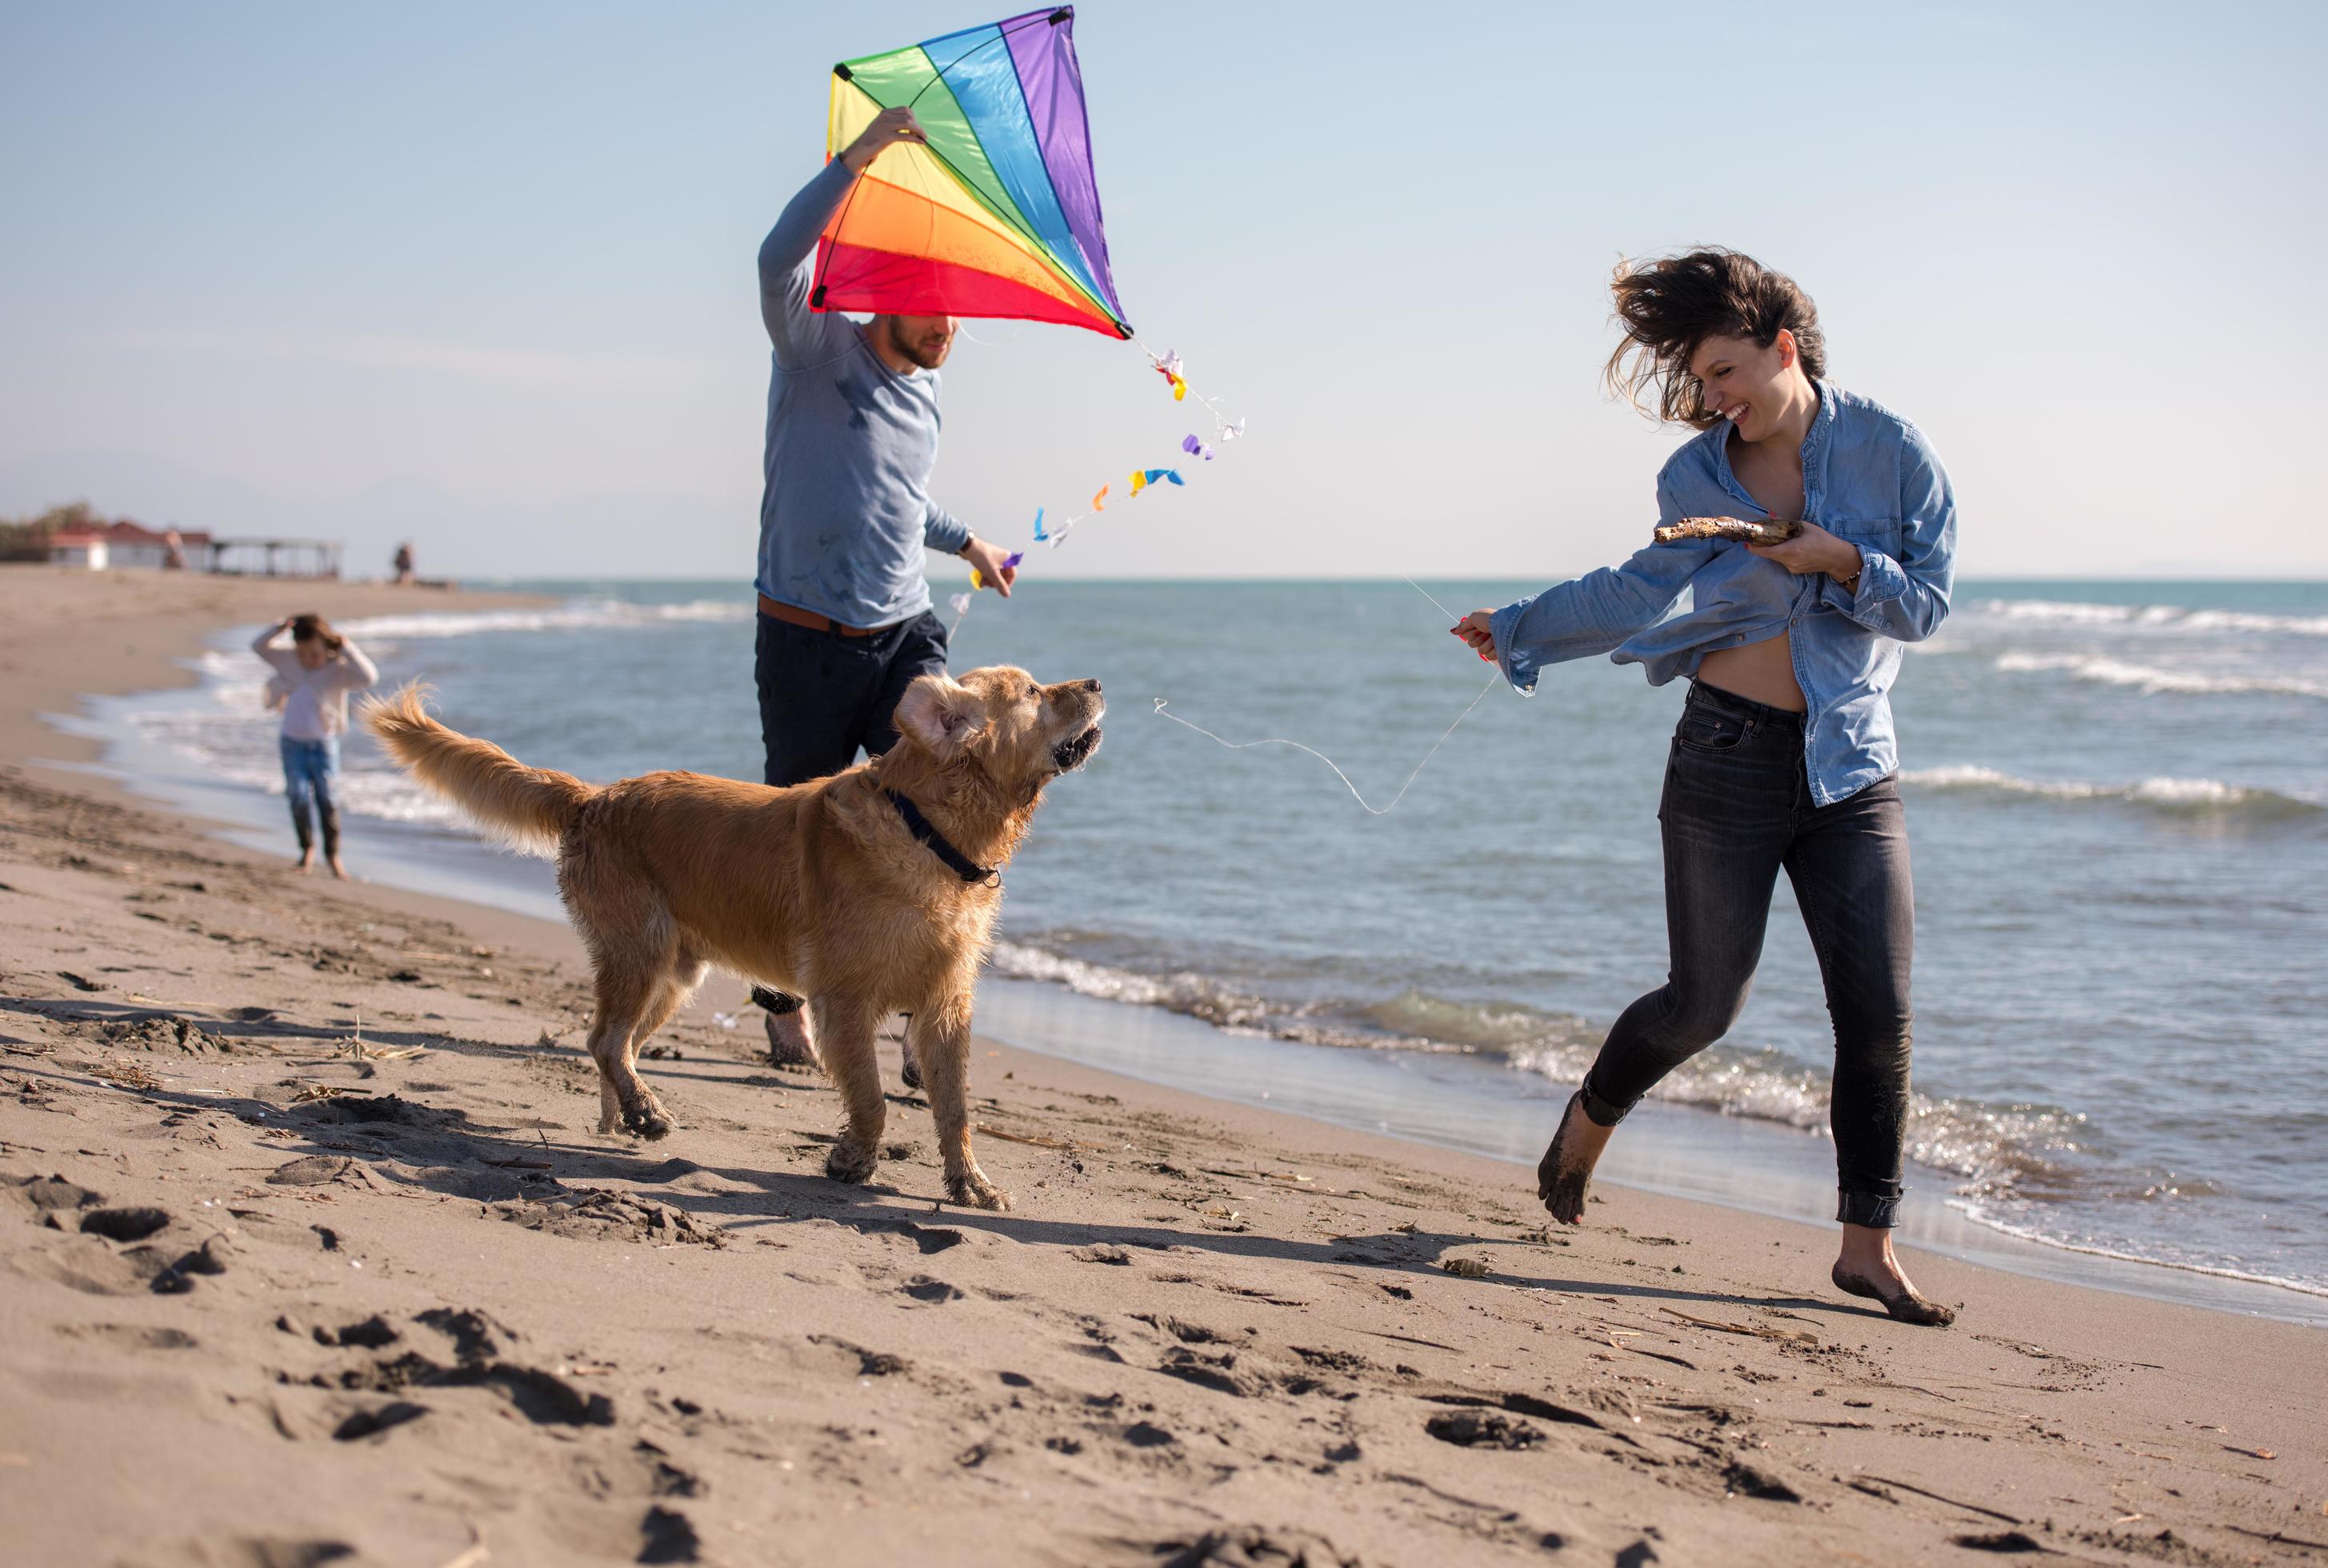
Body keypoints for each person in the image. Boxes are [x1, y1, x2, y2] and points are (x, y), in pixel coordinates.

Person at [1454, 250, 1959, 1326]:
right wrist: (1519, 629)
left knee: (1877, 1014)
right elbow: (1637, 587)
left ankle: (1865, 1249)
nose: (1714, 398)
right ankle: (1589, 1117)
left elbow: (1925, 608)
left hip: (1853, 770)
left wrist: (1837, 561)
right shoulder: (1697, 477)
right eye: (1701, 382)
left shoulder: (1890, 450)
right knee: (1702, 1004)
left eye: (1727, 372)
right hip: (1723, 756)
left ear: (1784, 346)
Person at [746, 105, 1022, 1070]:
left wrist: (969, 543)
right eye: (934, 311)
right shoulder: (816, 350)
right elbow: (776, 259)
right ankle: (783, 1001)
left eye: (956, 316)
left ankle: (919, 1012)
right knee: (801, 828)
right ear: (884, 302)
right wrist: (855, 161)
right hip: (808, 640)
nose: (949, 328)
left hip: (901, 630)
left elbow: (898, 498)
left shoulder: (929, 391)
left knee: (949, 772)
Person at [252, 613, 378, 878]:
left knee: (328, 798)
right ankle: (307, 850)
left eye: (316, 653)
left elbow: (369, 677)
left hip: (324, 745)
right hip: (292, 743)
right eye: (304, 653)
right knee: (297, 796)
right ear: (296, 648)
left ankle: (333, 856)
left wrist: (346, 646)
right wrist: (279, 628)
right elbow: (258, 647)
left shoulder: (338, 669)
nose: (309, 659)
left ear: (327, 647)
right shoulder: (288, 661)